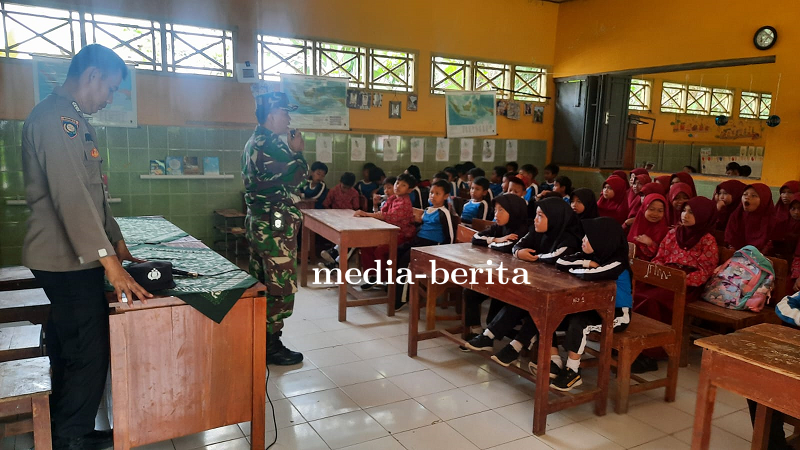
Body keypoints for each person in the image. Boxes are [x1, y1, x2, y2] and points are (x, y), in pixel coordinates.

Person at [22, 44, 151, 449]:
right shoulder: (56, 120)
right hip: (65, 260)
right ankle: (70, 438)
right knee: (88, 352)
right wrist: (108, 264)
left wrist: (117, 243)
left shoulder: (73, 120)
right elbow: (72, 197)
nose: (110, 98)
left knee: (70, 343)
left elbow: (94, 195)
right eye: (110, 88)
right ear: (93, 75)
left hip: (74, 256)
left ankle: (66, 425)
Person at [465, 198, 582, 367]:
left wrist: (534, 257)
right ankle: (491, 337)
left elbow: (556, 258)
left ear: (555, 217)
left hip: (564, 297)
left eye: (540, 216)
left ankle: (513, 344)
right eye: (536, 215)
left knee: (532, 305)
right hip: (540, 288)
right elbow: (518, 245)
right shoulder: (537, 231)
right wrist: (519, 253)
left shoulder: (570, 239)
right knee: (522, 301)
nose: (535, 220)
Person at [244, 82, 308, 367]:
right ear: (271, 115)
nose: (289, 119)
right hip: (274, 228)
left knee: (263, 282)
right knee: (279, 286)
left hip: (262, 224)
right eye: (285, 112)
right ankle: (271, 344)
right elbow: (299, 179)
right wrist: (298, 152)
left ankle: (261, 337)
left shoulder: (255, 141)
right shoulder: (269, 144)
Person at [552, 217, 633, 390]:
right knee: (553, 315)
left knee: (580, 324)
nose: (583, 240)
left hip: (617, 315)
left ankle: (573, 372)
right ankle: (553, 361)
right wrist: (585, 262)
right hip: (595, 309)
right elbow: (560, 262)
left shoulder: (617, 263)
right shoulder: (594, 255)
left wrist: (581, 269)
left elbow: (591, 275)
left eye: (588, 237)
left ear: (602, 240)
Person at [634, 196, 719, 324]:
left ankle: (654, 338)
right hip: (665, 276)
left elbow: (704, 272)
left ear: (703, 215)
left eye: (691, 212)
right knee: (636, 292)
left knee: (652, 300)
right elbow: (660, 257)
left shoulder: (707, 240)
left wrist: (678, 279)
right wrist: (661, 273)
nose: (685, 215)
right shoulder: (674, 233)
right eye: (684, 210)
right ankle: (630, 332)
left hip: (686, 283)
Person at [462, 194, 529, 341]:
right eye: (495, 210)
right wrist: (496, 239)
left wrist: (493, 243)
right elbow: (476, 238)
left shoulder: (523, 229)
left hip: (515, 280)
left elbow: (508, 247)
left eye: (501, 210)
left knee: (492, 317)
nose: (496, 215)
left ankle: (509, 337)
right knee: (470, 291)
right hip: (498, 275)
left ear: (514, 211)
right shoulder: (500, 227)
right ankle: (475, 330)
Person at [394, 180, 457, 308]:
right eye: (431, 192)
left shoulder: (443, 213)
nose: (433, 195)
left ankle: (401, 298)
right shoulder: (428, 209)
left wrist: (442, 255)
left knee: (406, 260)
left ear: (445, 196)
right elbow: (422, 225)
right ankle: (396, 288)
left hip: (432, 246)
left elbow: (450, 236)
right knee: (397, 251)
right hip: (419, 241)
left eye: (437, 193)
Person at [356, 173, 416, 290]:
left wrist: (366, 214)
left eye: (403, 185)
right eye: (397, 183)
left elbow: (386, 216)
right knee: (366, 246)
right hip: (388, 232)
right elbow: (381, 213)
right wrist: (373, 210)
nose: (398, 186)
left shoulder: (404, 202)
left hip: (402, 235)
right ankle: (372, 276)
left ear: (409, 190)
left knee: (381, 250)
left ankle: (385, 280)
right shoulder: (393, 198)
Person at [724, 183, 775, 252]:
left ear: (764, 200)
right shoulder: (736, 215)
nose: (747, 197)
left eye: (753, 196)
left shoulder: (772, 221)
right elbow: (730, 240)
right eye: (745, 194)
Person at [627, 193, 669, 261]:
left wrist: (650, 244)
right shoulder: (636, 224)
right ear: (644, 208)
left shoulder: (664, 231)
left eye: (660, 211)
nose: (655, 214)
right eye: (651, 209)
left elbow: (663, 255)